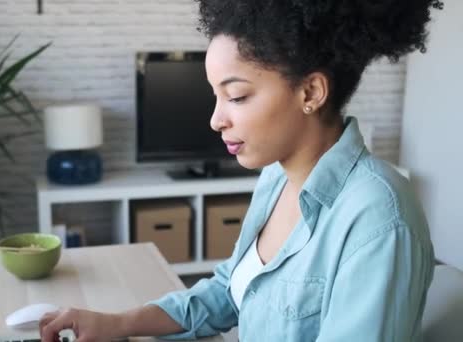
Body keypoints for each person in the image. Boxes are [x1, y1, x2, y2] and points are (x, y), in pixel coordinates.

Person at [40, 0, 444, 341]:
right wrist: (116, 323)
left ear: (310, 92)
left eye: (236, 96)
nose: (216, 119)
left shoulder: (378, 217)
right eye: (216, 96)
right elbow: (228, 292)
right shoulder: (276, 177)